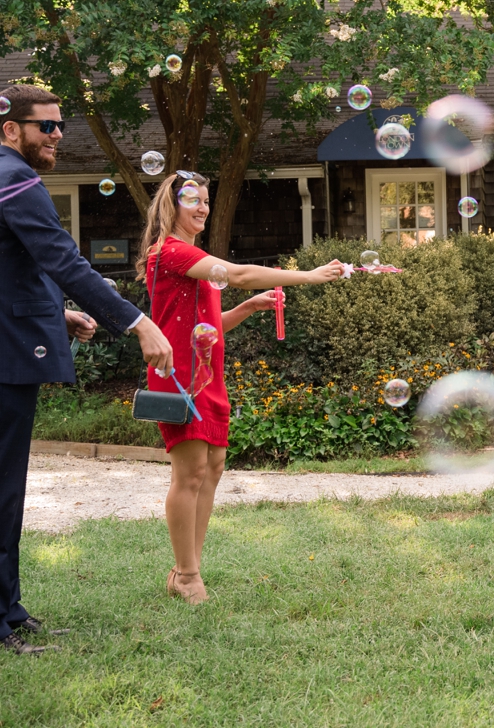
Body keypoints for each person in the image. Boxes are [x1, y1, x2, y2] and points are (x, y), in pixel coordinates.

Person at [0, 85, 174, 654]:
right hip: (3, 361)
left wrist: (59, 314)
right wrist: (137, 323)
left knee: (7, 490)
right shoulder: (12, 177)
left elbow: (15, 269)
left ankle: (9, 610)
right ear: (10, 130)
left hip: (12, 348)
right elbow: (62, 258)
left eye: (59, 125)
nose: (56, 136)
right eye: (44, 126)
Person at [137, 172, 343, 604]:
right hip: (179, 379)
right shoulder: (171, 252)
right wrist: (307, 275)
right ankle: (188, 575)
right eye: (192, 199)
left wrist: (247, 307)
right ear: (170, 205)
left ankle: (186, 570)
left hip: (206, 377)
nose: (202, 207)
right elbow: (240, 273)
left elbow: (207, 327)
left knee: (211, 470)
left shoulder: (191, 255)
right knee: (189, 472)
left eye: (206, 201)